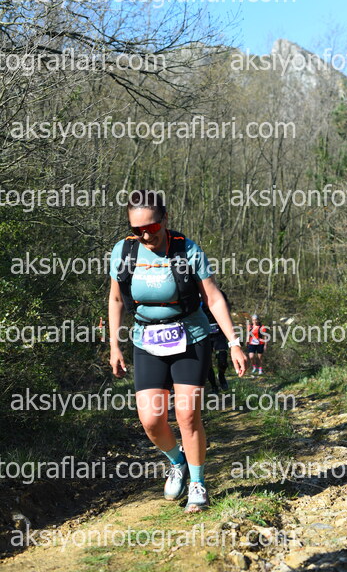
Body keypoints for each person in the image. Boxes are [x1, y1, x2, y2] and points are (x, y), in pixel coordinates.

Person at [108, 190, 247, 513]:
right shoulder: (123, 252)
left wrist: (234, 342)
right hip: (146, 340)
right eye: (137, 229)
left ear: (165, 219)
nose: (146, 235)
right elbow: (115, 299)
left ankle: (198, 483)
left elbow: (213, 298)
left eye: (152, 228)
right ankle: (177, 461)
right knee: (151, 421)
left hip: (190, 337)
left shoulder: (188, 250)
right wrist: (114, 344)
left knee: (187, 415)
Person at [202, 290, 231, 393]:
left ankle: (221, 376)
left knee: (223, 359)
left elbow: (226, 310)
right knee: (207, 363)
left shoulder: (220, 293)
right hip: (204, 334)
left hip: (219, 333)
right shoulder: (196, 294)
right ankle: (214, 385)